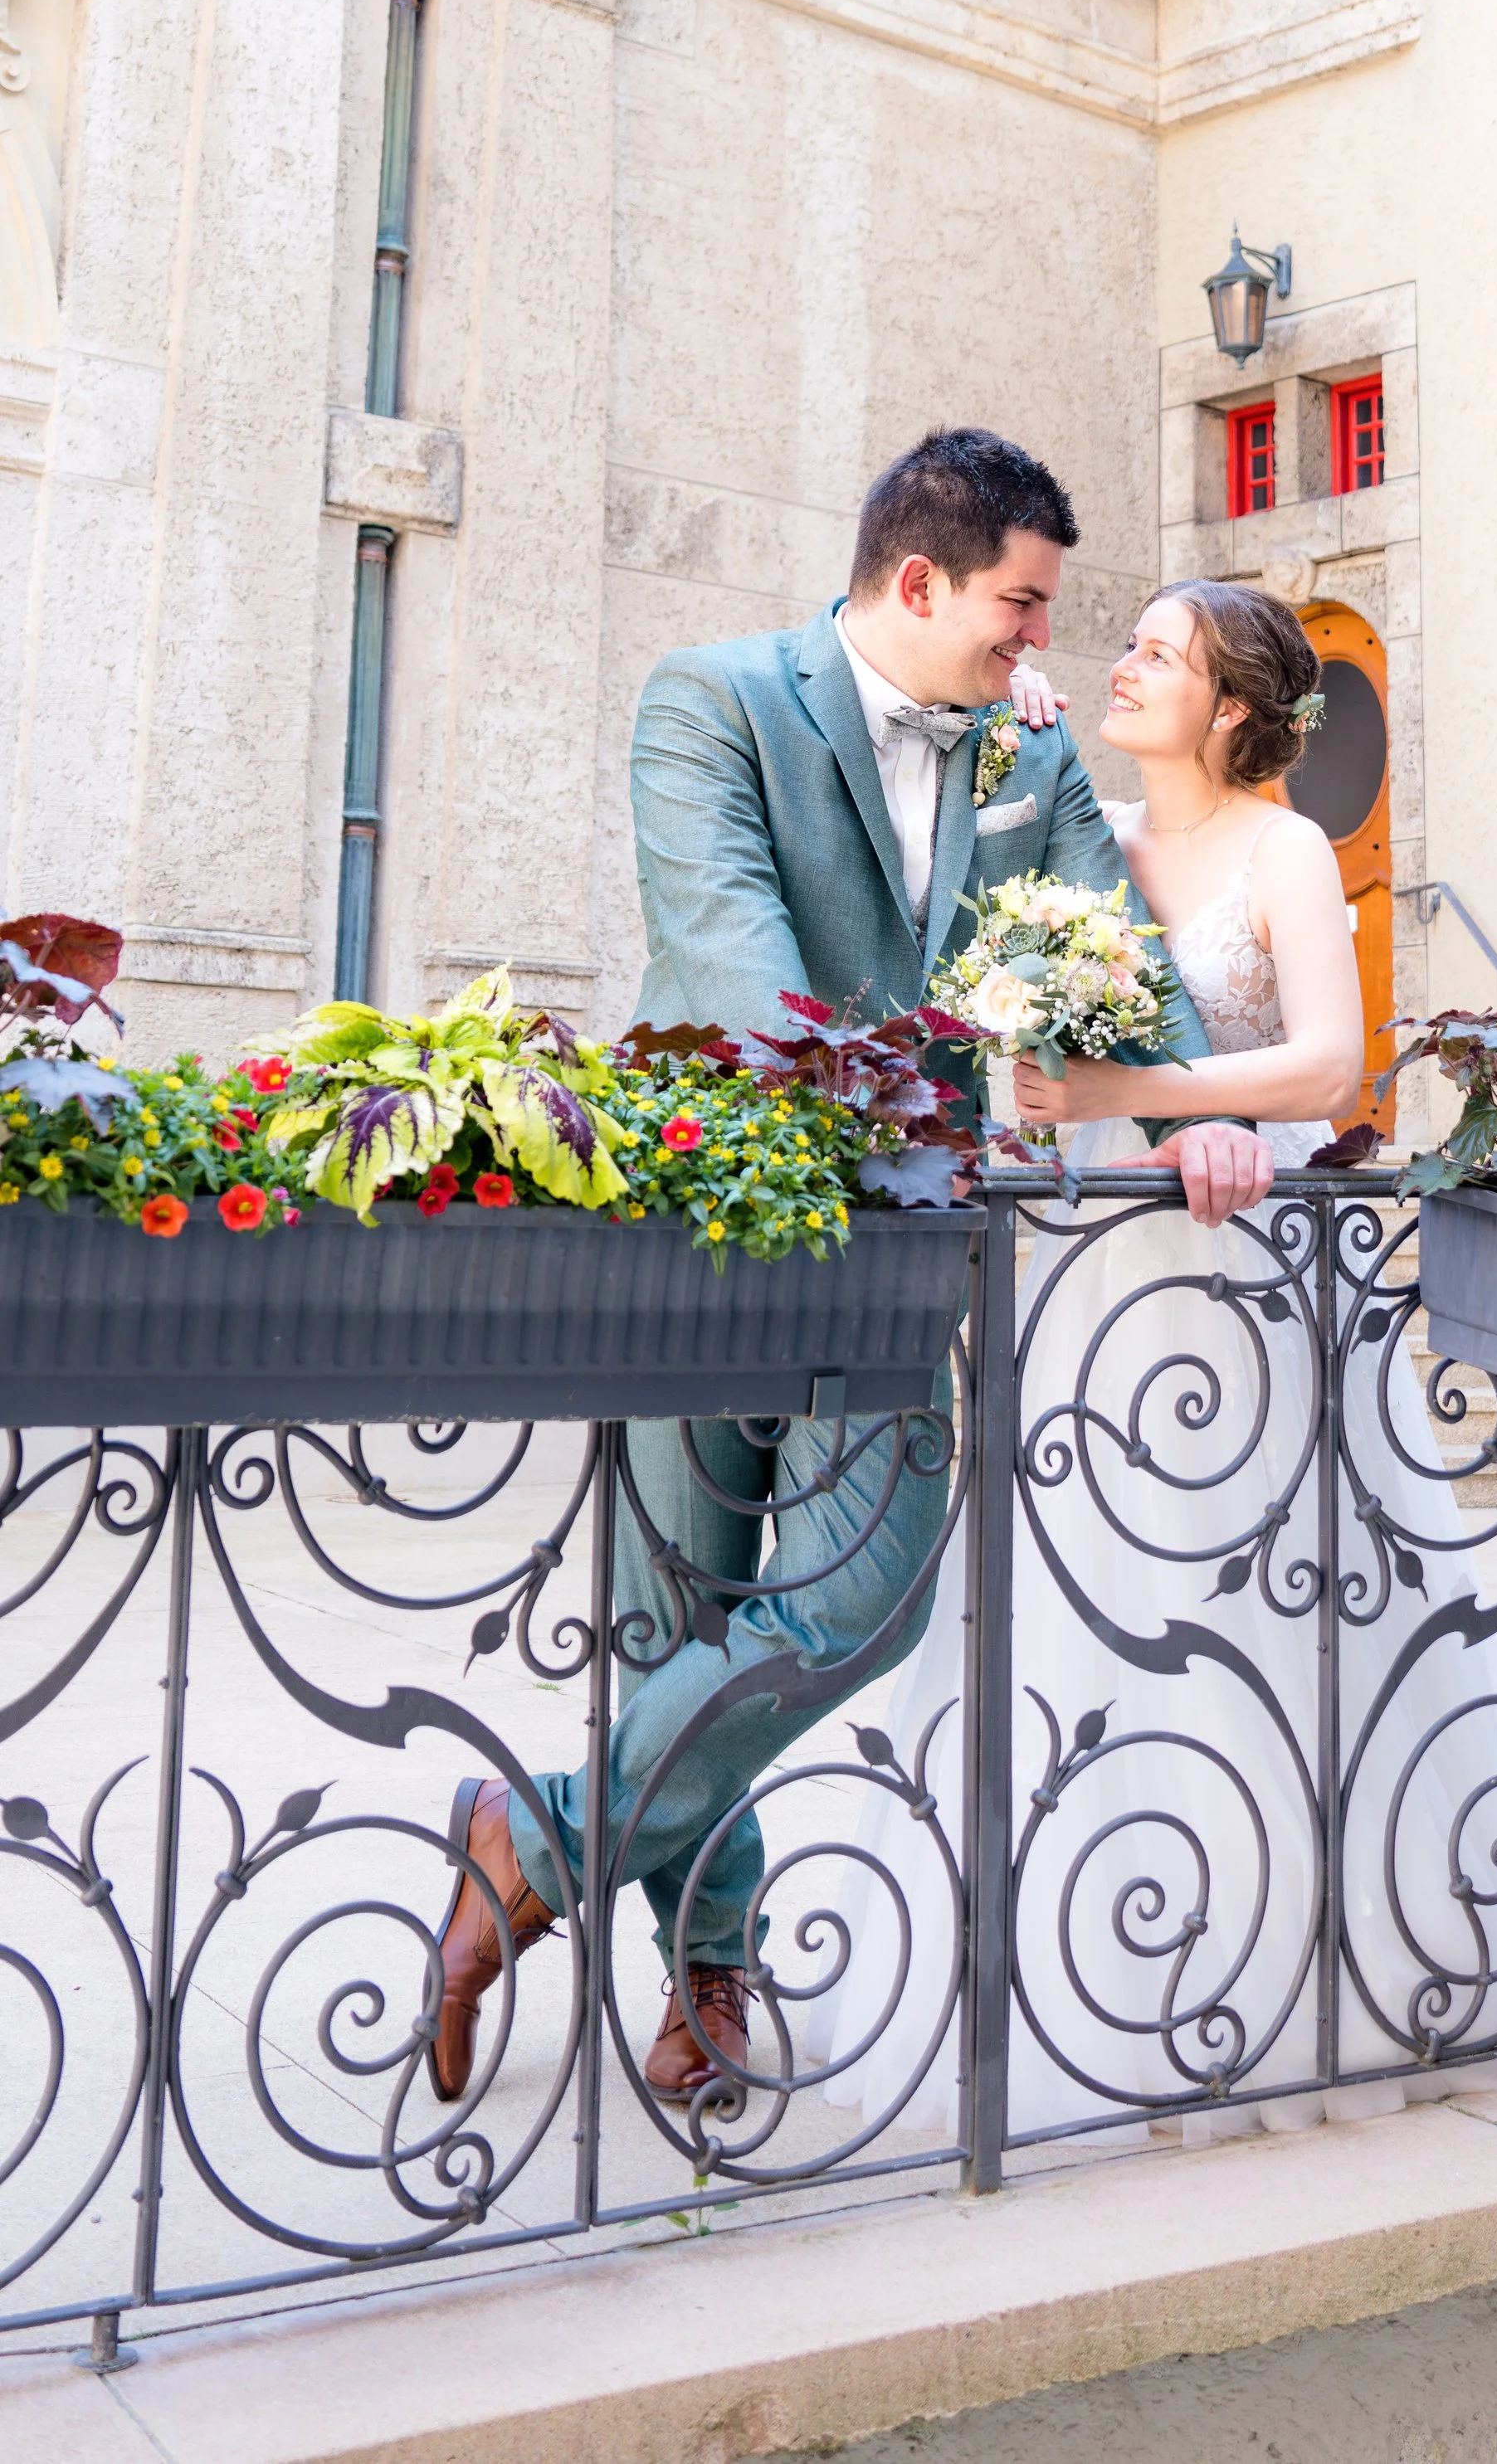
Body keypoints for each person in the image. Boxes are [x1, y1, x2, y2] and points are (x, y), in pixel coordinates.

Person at [426, 436, 1276, 2109]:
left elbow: (1106, 942)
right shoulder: (711, 702)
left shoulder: (1019, 759)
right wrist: (892, 1099)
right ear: (918, 584)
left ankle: (522, 1838)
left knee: (856, 1601)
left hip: (896, 1252)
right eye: (1018, 612)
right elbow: (736, 957)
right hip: (695, 1225)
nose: (1038, 651)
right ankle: (711, 1972)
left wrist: (1189, 1111)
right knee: (677, 1612)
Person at [812, 582, 1497, 2137]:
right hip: (1095, 1280)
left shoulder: (1286, 851)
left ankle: (1325, 1962)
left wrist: (1160, 1093)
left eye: (1160, 655)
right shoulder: (1083, 834)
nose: (1124, 664)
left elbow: (1330, 1062)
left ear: (1234, 708)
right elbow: (976, 968)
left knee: (1279, 1604)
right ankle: (1101, 1970)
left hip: (1247, 1286)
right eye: (1124, 643)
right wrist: (1009, 751)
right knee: (1094, 1606)